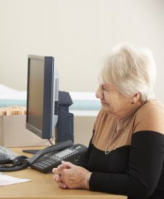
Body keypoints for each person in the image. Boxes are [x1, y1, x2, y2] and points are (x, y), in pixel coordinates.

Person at [53, 43, 164, 199]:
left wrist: (86, 179)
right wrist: (69, 171)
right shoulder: (108, 113)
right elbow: (90, 159)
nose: (97, 94)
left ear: (134, 95)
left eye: (106, 89)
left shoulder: (151, 113)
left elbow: (140, 185)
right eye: (100, 85)